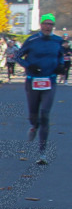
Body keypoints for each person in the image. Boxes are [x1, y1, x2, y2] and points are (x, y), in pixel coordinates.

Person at [16, 13, 64, 165]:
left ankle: (42, 153)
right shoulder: (32, 40)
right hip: (33, 81)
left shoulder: (58, 40)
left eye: (51, 24)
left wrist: (60, 66)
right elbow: (17, 56)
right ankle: (33, 126)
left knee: (45, 115)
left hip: (50, 81)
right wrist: (29, 66)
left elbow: (61, 56)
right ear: (41, 25)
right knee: (34, 115)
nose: (48, 26)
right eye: (46, 23)